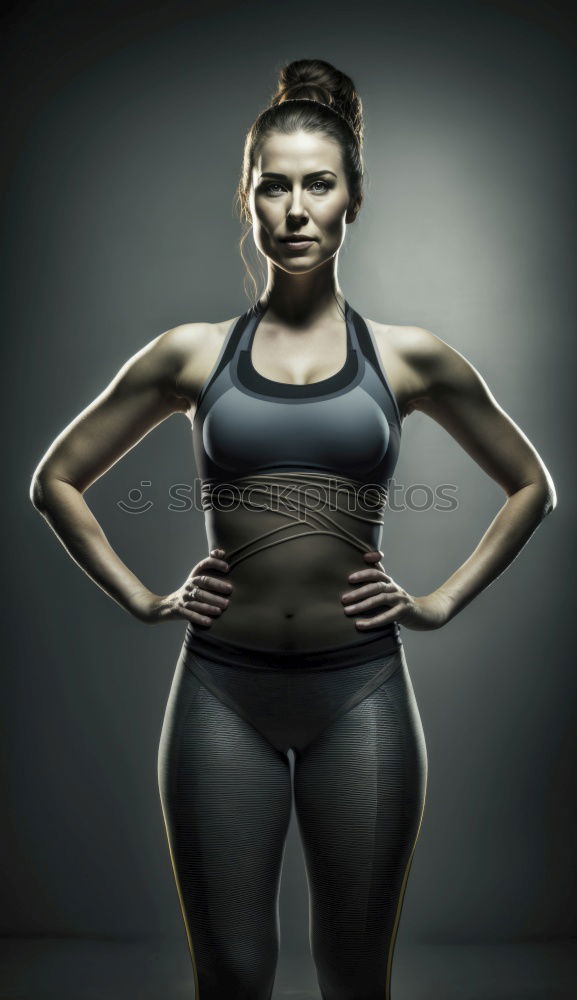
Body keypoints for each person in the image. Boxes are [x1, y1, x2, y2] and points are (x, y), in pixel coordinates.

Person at [29, 58, 556, 1000]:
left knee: (355, 977)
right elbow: (56, 479)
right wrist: (145, 598)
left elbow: (530, 487)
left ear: (355, 196)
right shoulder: (192, 354)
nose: (297, 208)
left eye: (319, 184)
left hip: (361, 696)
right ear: (249, 199)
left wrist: (436, 602)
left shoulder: (408, 358)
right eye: (274, 185)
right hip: (220, 695)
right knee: (231, 974)